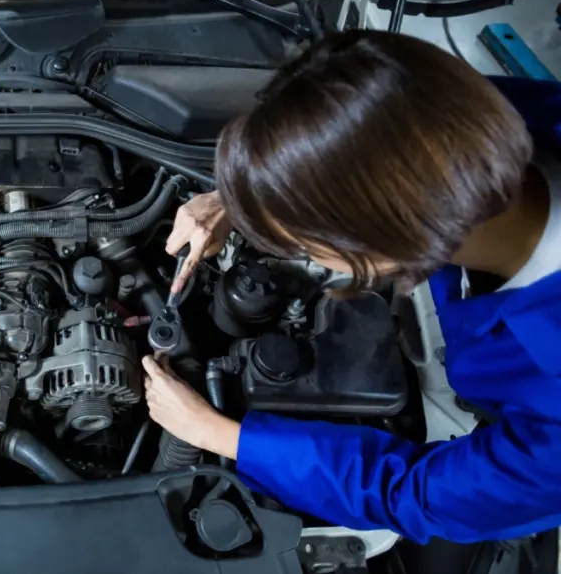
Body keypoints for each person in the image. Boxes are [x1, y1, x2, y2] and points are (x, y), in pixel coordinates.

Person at [142, 29, 561, 544]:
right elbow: (361, 136)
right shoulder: (477, 113)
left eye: (300, 242)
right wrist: (241, 196)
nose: (292, 250)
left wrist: (220, 435)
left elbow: (417, 494)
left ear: (385, 243)